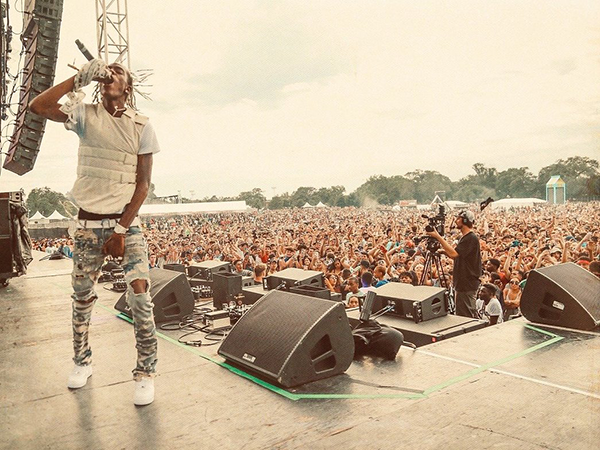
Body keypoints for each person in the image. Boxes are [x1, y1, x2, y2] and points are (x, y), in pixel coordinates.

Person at [30, 59, 160, 406]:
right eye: (106, 71)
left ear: (127, 87)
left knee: (140, 295)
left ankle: (146, 372)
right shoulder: (85, 115)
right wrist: (78, 79)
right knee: (82, 300)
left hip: (126, 225)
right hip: (87, 223)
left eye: (117, 72)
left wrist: (121, 228)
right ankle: (81, 362)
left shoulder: (142, 126)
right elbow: (39, 106)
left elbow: (143, 185)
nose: (109, 74)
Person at [426, 210, 482, 318]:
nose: (456, 221)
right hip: (464, 283)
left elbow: (454, 254)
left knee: (466, 317)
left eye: (458, 218)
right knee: (462, 314)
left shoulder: (470, 238)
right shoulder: (466, 238)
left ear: (465, 220)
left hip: (467, 284)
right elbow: (461, 256)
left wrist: (438, 237)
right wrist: (443, 252)